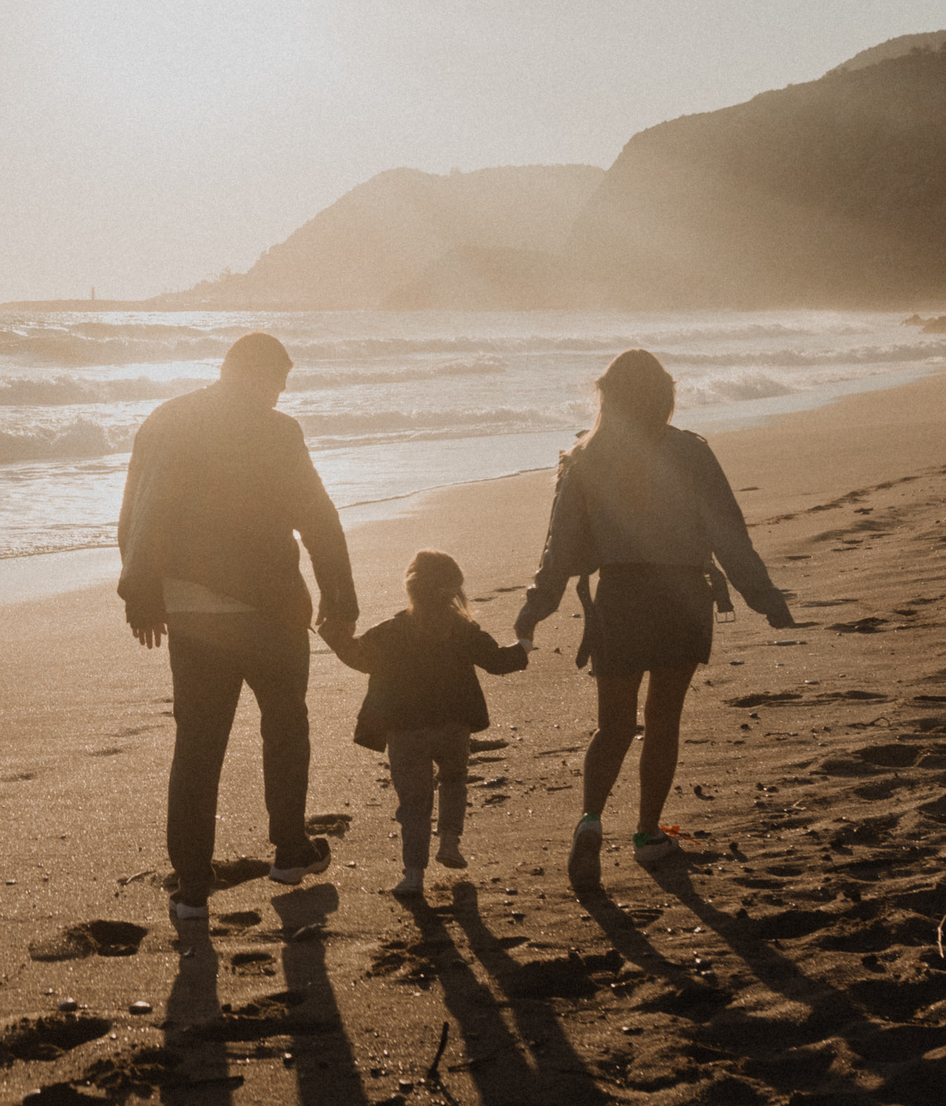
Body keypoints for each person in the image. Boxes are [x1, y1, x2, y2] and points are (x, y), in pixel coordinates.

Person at [512, 349, 794, 890]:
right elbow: (728, 532)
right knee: (663, 721)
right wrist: (764, 597)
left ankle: (590, 821)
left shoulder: (583, 458)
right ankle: (646, 835)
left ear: (607, 396)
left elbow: (558, 550)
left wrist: (535, 608)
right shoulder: (691, 451)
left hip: (620, 599)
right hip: (682, 598)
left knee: (613, 726)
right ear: (664, 395)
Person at [117, 332, 357, 923]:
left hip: (193, 612)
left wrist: (141, 593)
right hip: (270, 608)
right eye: (278, 381)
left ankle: (191, 888)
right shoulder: (279, 432)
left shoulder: (166, 419)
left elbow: (139, 511)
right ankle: (291, 851)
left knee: (198, 747)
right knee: (286, 726)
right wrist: (340, 597)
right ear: (254, 374)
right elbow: (318, 517)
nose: (280, 393)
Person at [334, 550, 528, 898]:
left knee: (414, 804)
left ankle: (413, 875)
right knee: (453, 780)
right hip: (453, 727)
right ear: (454, 591)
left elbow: (359, 658)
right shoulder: (462, 630)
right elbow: (497, 661)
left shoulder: (390, 631)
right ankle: (450, 841)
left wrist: (335, 635)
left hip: (404, 731)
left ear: (411, 589)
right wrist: (524, 645)